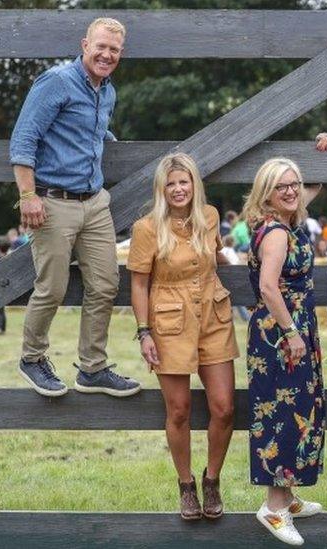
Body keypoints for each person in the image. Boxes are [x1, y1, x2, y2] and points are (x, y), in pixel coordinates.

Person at [10, 17, 139, 398]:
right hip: (53, 202)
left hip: (95, 203)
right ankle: (32, 358)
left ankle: (92, 368)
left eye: (114, 50)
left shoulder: (107, 91)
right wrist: (28, 196)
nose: (106, 54)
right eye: (100, 46)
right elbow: (23, 139)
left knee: (105, 284)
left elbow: (90, 131)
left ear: (120, 54)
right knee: (51, 287)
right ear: (85, 44)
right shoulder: (56, 81)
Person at [127, 153, 238, 520]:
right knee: (179, 410)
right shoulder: (146, 228)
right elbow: (139, 284)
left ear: (194, 185)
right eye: (171, 183)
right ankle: (186, 484)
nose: (178, 189)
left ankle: (212, 479)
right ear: (162, 188)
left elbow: (217, 258)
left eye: (184, 181)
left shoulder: (209, 218)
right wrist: (144, 333)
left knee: (224, 407)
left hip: (213, 313)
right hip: (169, 320)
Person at [244, 133, 327, 546]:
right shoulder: (277, 232)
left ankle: (288, 494)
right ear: (266, 193)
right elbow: (267, 287)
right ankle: (274, 508)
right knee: (282, 415)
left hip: (289, 330)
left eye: (293, 184)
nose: (290, 191)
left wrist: (320, 149)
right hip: (282, 334)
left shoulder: (285, 218)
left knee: (296, 408)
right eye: (279, 186)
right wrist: (292, 333)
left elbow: (312, 186)